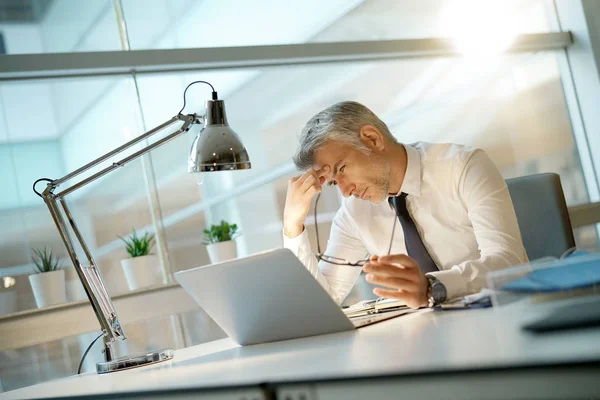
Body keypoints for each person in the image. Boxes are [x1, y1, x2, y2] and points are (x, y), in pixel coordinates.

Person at [282, 101, 528, 309]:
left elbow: (508, 262)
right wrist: (292, 227)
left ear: (372, 139)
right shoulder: (354, 213)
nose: (347, 191)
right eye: (335, 183)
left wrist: (433, 287)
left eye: (343, 170)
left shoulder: (463, 166)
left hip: (500, 316)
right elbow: (322, 303)